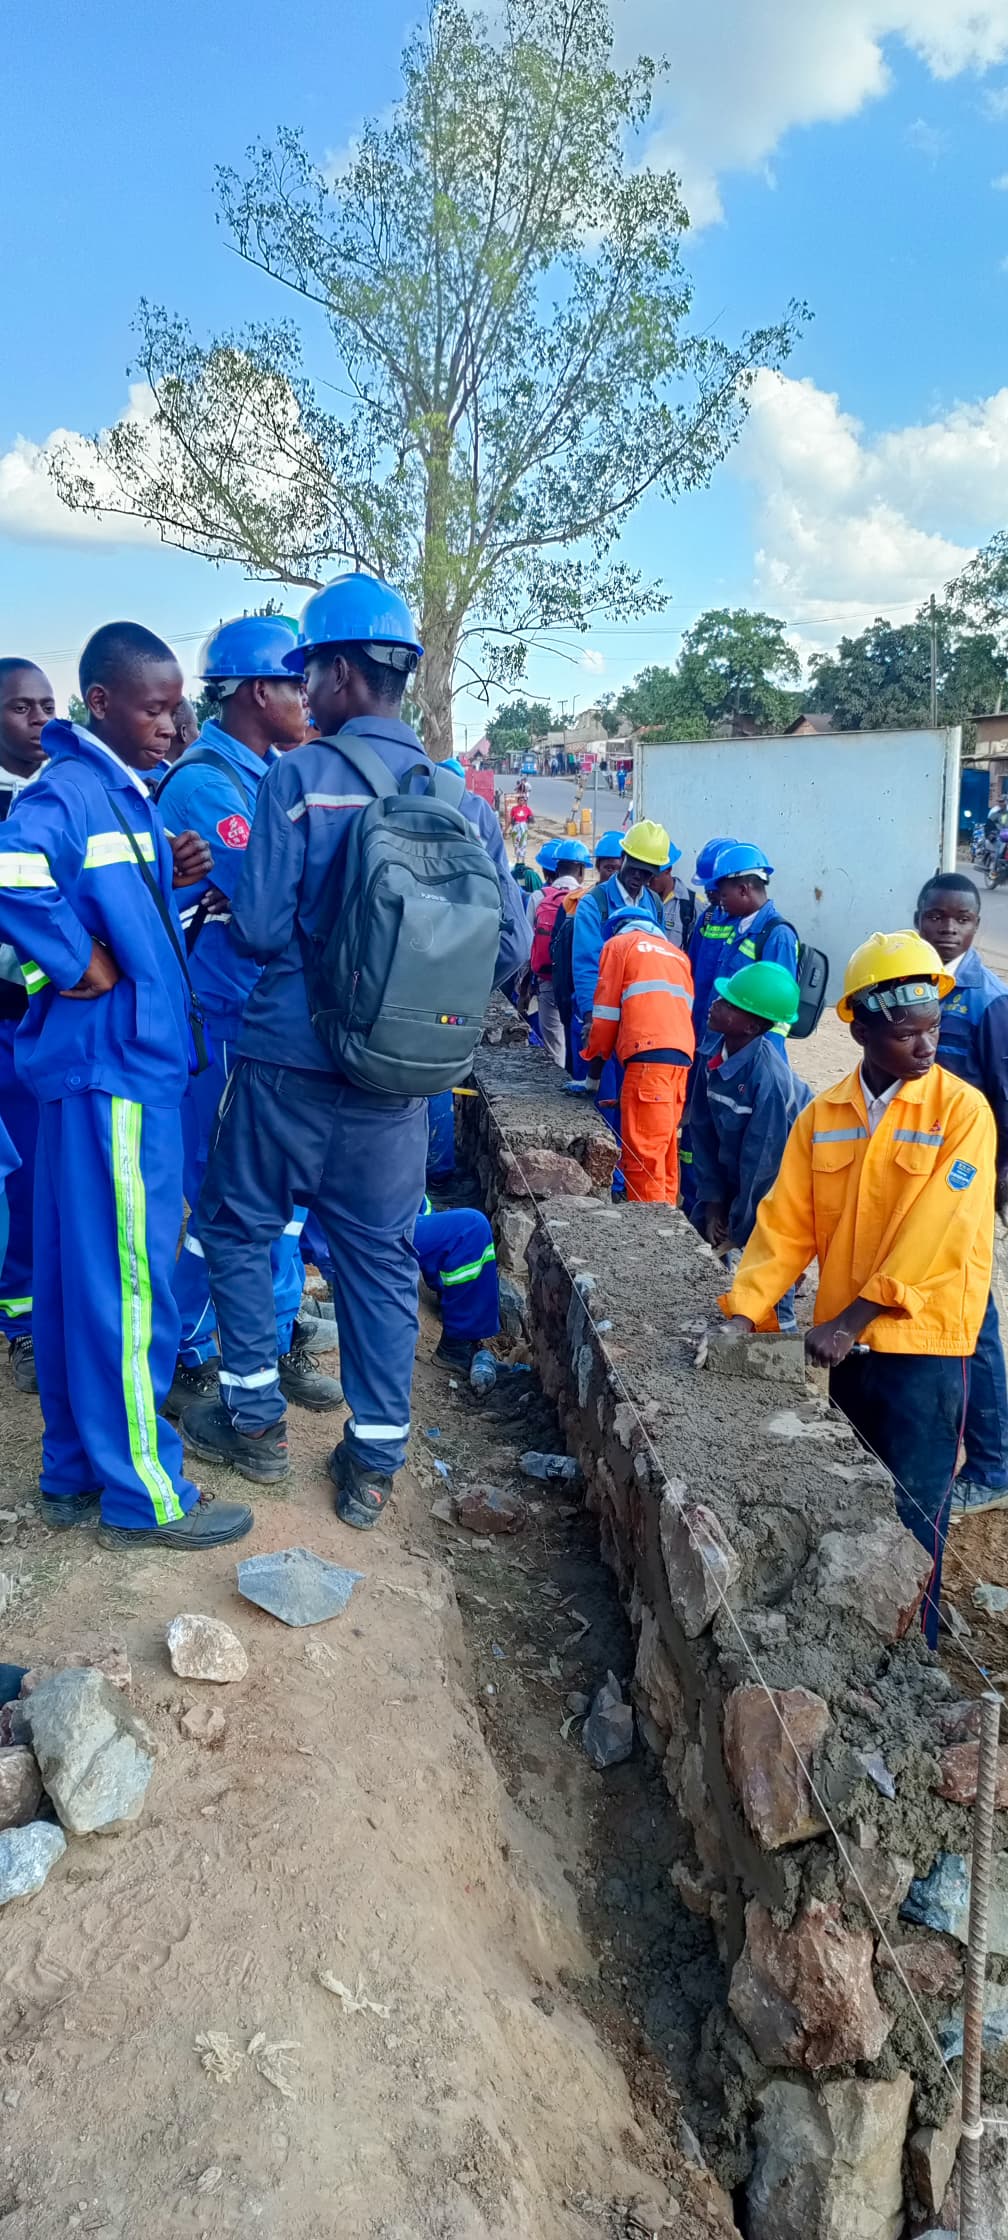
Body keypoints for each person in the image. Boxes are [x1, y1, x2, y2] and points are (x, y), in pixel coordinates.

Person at [179, 573, 528, 1528]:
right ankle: (374, 1464)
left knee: (244, 1227)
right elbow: (507, 949)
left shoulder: (297, 780)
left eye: (311, 669)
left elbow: (253, 930)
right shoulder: (467, 799)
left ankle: (251, 1417)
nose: (307, 689)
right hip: (399, 1081)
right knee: (379, 1261)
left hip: (287, 1061)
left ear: (337, 672)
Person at [0, 621, 253, 1549]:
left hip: (99, 1070)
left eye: (179, 703)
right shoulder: (71, 790)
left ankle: (71, 1467)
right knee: (132, 1286)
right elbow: (12, 874)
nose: (174, 722)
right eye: (155, 706)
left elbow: (131, 924)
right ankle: (144, 1491)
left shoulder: (121, 795)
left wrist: (173, 883)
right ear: (99, 702)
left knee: (79, 1280)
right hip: (115, 1073)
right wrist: (73, 965)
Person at [721, 931, 996, 1648]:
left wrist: (855, 1316)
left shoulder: (962, 1114)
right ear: (862, 1027)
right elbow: (785, 1225)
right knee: (854, 1501)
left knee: (915, 1513)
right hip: (846, 1349)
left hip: (922, 1346)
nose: (926, 1046)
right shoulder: (825, 1116)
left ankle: (916, 1660)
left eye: (933, 1029)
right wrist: (742, 1312)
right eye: (907, 1035)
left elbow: (938, 1228)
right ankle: (854, 1643)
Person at [157, 616, 341, 1419]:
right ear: (257, 691)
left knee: (276, 1197)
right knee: (224, 1198)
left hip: (261, 1013)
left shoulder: (265, 772)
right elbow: (272, 896)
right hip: (222, 1015)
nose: (308, 698)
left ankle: (267, 1334)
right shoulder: (207, 781)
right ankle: (192, 1350)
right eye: (295, 684)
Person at [914, 872, 1008, 1518]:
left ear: (976, 925)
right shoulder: (913, 983)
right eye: (938, 916)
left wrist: (992, 1188)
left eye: (963, 919)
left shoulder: (989, 1000)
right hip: (914, 1183)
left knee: (976, 1321)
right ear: (919, 918)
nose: (949, 928)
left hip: (967, 1185)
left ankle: (994, 1462)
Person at [689, 961, 811, 1330]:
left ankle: (778, 1337)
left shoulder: (769, 1082)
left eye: (729, 1003)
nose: (716, 1003)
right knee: (700, 1231)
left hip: (780, 1184)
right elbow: (702, 1130)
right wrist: (713, 1205)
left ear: (752, 1026)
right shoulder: (712, 1053)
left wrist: (739, 1227)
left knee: (768, 1258)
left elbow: (763, 1167)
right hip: (735, 1171)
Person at [0, 659, 56, 1393]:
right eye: (21, 708)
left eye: (47, 703)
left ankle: (30, 1314)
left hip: (32, 1022)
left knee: (36, 1173)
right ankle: (21, 1317)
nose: (39, 719)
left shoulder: (58, 796)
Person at [582, 902, 694, 1201]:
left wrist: (592, 1077)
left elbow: (604, 1018)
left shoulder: (620, 945)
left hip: (646, 1062)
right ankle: (669, 1228)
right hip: (679, 1064)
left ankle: (651, 1236)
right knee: (665, 1156)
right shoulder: (678, 956)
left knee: (642, 1161)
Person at [696, 842, 799, 1045]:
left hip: (745, 1057)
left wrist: (762, 1059)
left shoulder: (778, 936)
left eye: (724, 895)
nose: (720, 902)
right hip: (715, 1045)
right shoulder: (738, 927)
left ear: (743, 890)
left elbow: (777, 1016)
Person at [531, 838, 590, 1066]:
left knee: (554, 1045)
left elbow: (529, 945)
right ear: (582, 870)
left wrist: (526, 986)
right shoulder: (588, 899)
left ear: (556, 868)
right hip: (578, 983)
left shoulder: (539, 897)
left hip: (547, 979)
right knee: (578, 1040)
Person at [648, 839, 693, 952]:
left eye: (653, 876)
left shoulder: (692, 905)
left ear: (668, 870)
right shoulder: (639, 900)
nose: (648, 881)